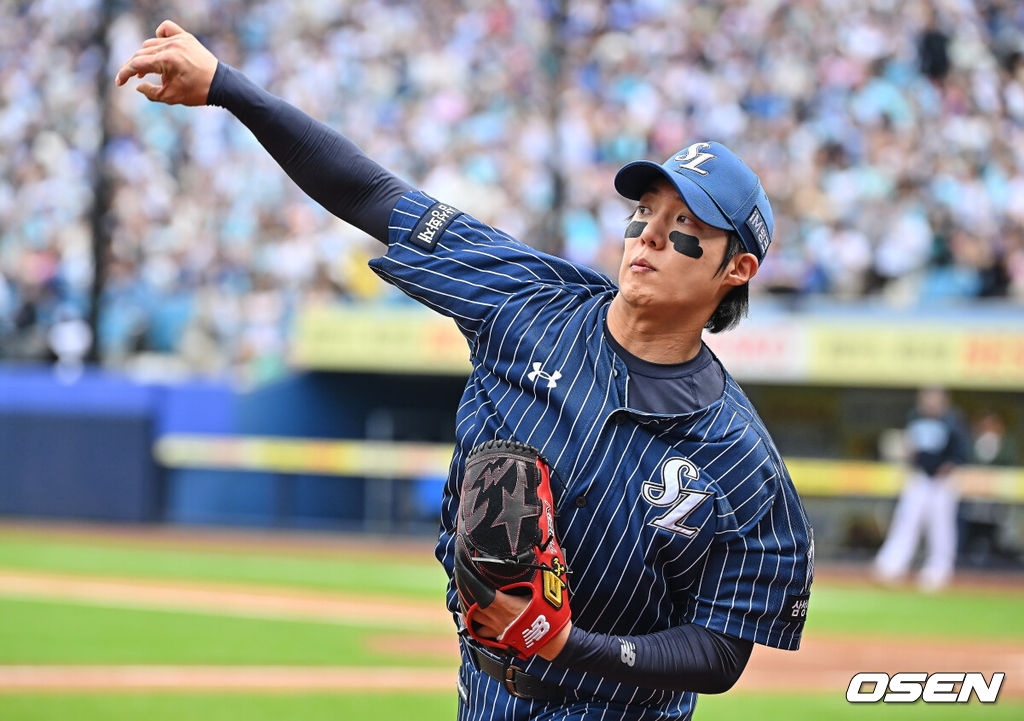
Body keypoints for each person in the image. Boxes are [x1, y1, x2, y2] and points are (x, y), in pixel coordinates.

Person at [116, 21, 814, 720]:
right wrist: (227, 87)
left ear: (738, 268)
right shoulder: (529, 301)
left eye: (687, 224)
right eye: (644, 210)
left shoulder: (739, 457)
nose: (651, 234)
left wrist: (569, 644)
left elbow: (721, 651)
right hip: (481, 696)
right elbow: (372, 194)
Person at [874, 387, 970, 592]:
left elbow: (961, 453)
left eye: (934, 399)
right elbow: (910, 447)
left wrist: (949, 465)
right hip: (919, 477)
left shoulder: (953, 421)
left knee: (941, 528)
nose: (930, 403)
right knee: (906, 522)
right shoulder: (914, 418)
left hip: (943, 481)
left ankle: (938, 571)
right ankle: (890, 566)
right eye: (927, 399)